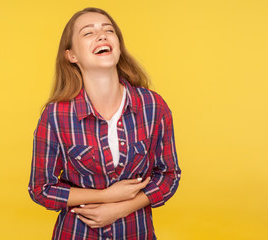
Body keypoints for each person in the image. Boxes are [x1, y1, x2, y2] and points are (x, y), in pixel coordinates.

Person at [28, 7, 181, 240]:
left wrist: (121, 207)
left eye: (108, 30)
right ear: (71, 55)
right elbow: (41, 189)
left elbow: (169, 176)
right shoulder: (55, 116)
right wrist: (105, 196)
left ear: (117, 44)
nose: (102, 35)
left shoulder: (153, 106)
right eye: (88, 33)